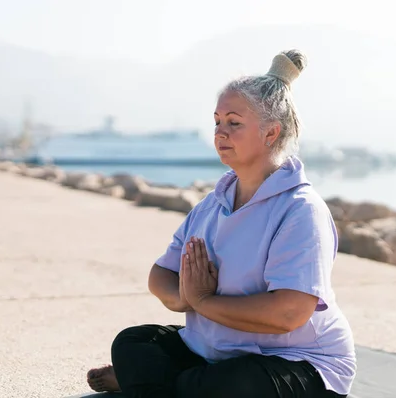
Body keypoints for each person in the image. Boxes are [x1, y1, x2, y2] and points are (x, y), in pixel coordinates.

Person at [86, 49, 356, 398]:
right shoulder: (211, 205)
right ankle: (164, 384)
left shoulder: (300, 210)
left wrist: (203, 301)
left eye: (234, 122)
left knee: (230, 385)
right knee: (134, 342)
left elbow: (289, 313)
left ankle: (150, 384)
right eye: (217, 122)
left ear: (271, 133)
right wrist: (186, 298)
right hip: (214, 354)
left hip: (295, 361)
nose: (220, 132)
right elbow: (160, 275)